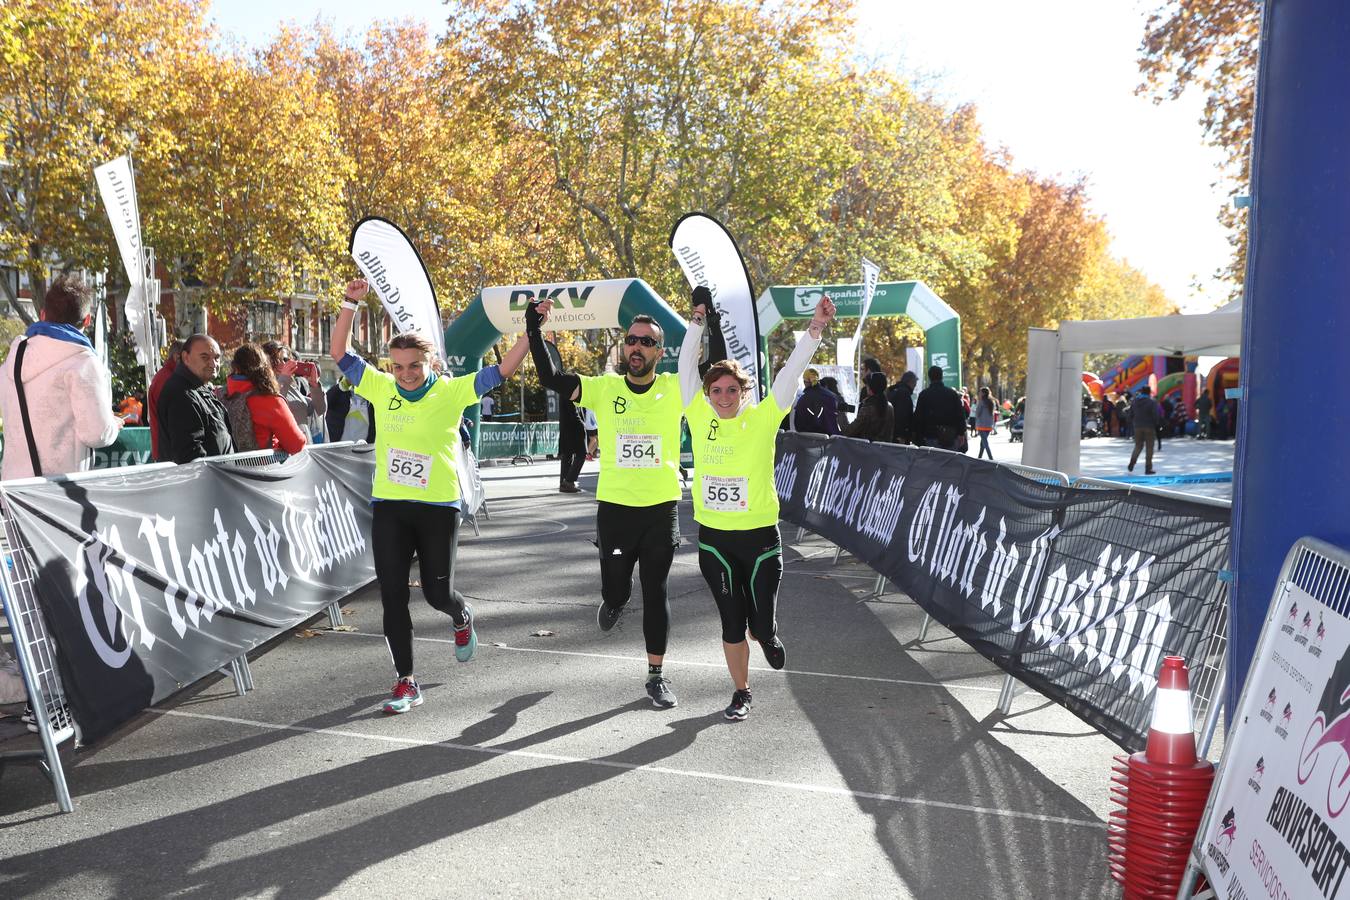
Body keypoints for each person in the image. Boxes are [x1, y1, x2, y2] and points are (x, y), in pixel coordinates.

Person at [331, 278, 530, 715]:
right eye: (398, 366)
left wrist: (529, 333)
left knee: (439, 595)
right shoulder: (381, 388)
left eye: (413, 366)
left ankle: (461, 617)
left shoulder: (451, 391)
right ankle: (406, 681)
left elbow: (502, 372)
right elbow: (340, 354)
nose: (405, 374)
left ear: (430, 363)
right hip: (390, 507)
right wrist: (350, 302)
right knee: (393, 595)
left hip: (438, 508)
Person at [680, 294, 836, 719]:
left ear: (744, 391)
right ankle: (741, 691)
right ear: (707, 393)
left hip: (760, 539)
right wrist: (696, 323)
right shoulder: (697, 414)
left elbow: (791, 372)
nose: (724, 396)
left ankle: (766, 634)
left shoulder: (764, 417)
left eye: (732, 389)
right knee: (732, 623)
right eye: (717, 390)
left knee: (759, 624)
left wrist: (815, 329)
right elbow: (683, 368)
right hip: (715, 542)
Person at [526, 298, 685, 709]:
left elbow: (716, 368)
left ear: (659, 352)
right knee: (617, 589)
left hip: (661, 507)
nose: (636, 347)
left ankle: (656, 675)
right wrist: (534, 329)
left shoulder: (675, 388)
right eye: (630, 340)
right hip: (615, 509)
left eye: (646, 342)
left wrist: (709, 320)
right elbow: (552, 378)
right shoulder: (604, 387)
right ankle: (615, 600)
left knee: (656, 590)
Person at [0, 276, 123, 479]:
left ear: (42, 314)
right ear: (87, 320)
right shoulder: (83, 362)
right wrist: (112, 424)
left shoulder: (14, 358)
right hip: (60, 494)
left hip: (14, 492)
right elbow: (96, 433)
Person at [157, 335, 232, 464]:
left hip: (218, 478)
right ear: (186, 357)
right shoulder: (181, 393)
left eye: (217, 358)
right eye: (205, 357)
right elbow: (190, 454)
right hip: (205, 481)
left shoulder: (198, 387)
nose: (213, 364)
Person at [223, 344, 307, 454]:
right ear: (265, 366)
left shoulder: (219, 394)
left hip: (225, 468)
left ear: (235, 367)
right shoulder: (269, 400)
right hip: (262, 467)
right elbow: (296, 445)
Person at [545, 333, 587, 493]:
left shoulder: (563, 392)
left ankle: (564, 482)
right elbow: (575, 413)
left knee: (567, 455)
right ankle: (569, 481)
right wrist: (583, 425)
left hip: (566, 429)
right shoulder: (572, 392)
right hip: (575, 429)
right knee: (581, 454)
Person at [262, 341, 326, 444]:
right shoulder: (264, 387)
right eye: (279, 360)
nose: (284, 363)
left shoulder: (292, 386)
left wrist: (314, 384)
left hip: (304, 448)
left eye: (286, 359)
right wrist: (284, 378)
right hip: (285, 453)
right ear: (268, 362)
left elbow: (320, 410)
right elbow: (274, 408)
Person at [912, 366, 966, 450]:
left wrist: (918, 436)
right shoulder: (952, 394)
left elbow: (919, 417)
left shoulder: (924, 394)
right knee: (949, 462)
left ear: (929, 377)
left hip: (930, 435)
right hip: (950, 436)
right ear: (942, 376)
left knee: (932, 462)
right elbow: (960, 414)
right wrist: (961, 432)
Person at [148, 340, 184, 461]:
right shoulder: (167, 379)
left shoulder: (166, 377)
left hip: (167, 449)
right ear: (177, 357)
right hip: (169, 451)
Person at [843, 371, 893, 442]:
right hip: (883, 451)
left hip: (866, 450)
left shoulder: (867, 408)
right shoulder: (890, 407)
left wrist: (841, 413)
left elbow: (848, 431)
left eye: (867, 385)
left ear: (870, 388)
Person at [325, 375, 377, 444]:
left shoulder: (372, 399)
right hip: (337, 449)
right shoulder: (340, 394)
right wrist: (342, 385)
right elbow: (325, 401)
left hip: (363, 450)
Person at [791, 368, 839, 435]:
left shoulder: (803, 399)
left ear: (805, 382)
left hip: (812, 440)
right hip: (833, 439)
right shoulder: (832, 396)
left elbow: (798, 425)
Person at [1127, 385, 1161, 474]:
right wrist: (1157, 424)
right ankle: (1148, 468)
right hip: (1149, 427)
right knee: (1149, 447)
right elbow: (1155, 415)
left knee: (1138, 446)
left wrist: (1133, 422)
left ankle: (1132, 462)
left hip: (1137, 426)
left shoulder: (1135, 401)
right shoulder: (1152, 402)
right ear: (1149, 392)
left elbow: (1130, 414)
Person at [886, 370, 917, 444]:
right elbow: (902, 415)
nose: (915, 386)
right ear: (910, 382)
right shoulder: (904, 393)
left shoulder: (893, 391)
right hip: (898, 436)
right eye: (914, 383)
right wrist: (901, 435)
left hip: (889, 432)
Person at [974, 386, 997, 459]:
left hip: (981, 425)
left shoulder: (981, 402)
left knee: (985, 443)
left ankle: (991, 458)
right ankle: (979, 457)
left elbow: (977, 413)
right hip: (989, 425)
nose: (979, 394)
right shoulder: (992, 402)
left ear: (983, 393)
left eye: (980, 392)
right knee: (983, 442)